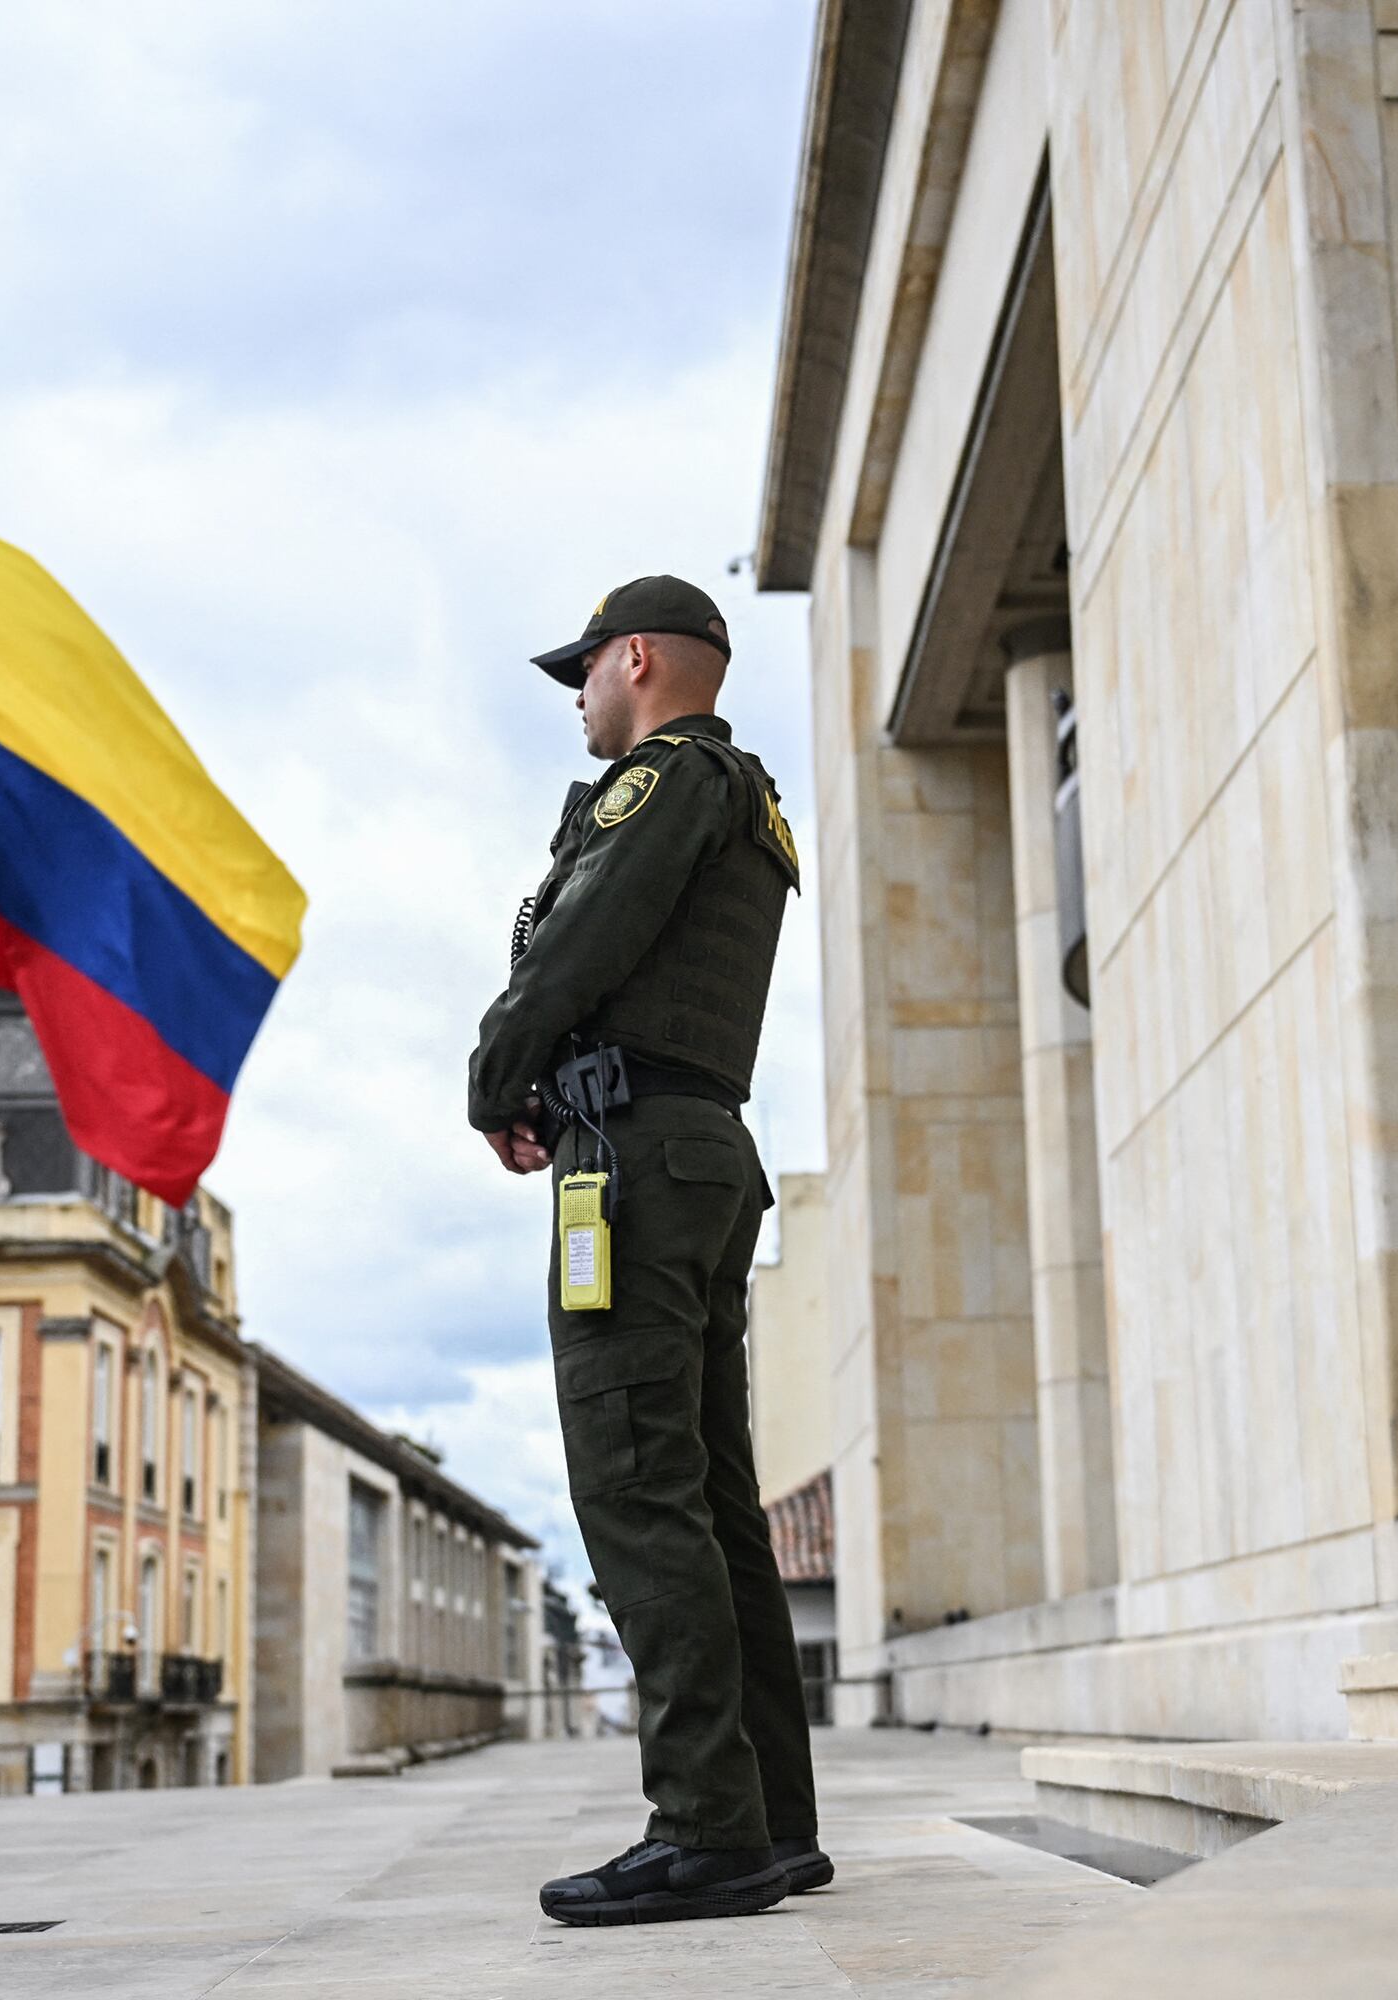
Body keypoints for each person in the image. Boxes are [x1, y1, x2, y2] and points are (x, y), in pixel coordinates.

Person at [470, 575, 827, 1927]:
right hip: (698, 1154)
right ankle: (767, 1821)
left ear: (636, 660)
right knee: (713, 1504)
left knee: (635, 1486)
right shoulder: (747, 795)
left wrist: (496, 1075)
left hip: (633, 1166)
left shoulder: (669, 782)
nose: (577, 698)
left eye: (585, 672)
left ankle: (705, 1829)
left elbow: (582, 940)